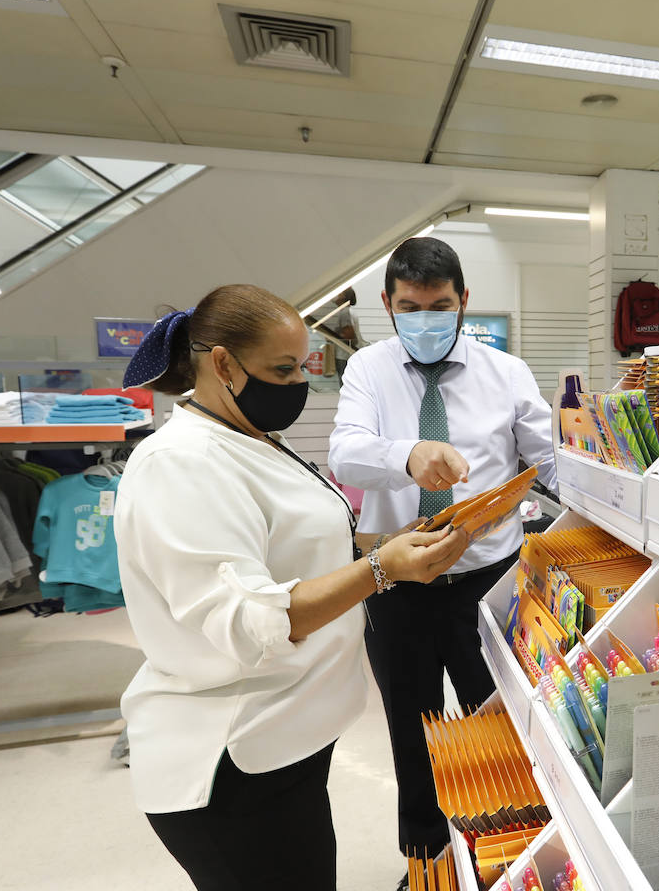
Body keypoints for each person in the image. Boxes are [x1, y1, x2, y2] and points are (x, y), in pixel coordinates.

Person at [114, 284, 469, 891]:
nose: (298, 384)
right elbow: (245, 622)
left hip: (287, 742)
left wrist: (386, 544)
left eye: (303, 366)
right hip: (231, 757)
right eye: (283, 370)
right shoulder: (181, 463)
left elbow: (297, 550)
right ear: (223, 364)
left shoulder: (249, 438)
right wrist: (382, 571)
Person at [329, 238, 558, 880]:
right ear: (387, 304)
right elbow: (345, 452)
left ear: (463, 303)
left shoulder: (507, 373)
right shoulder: (368, 370)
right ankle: (430, 864)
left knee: (501, 725)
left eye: (439, 305)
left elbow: (549, 463)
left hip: (488, 581)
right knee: (413, 730)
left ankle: (506, 857)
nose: (425, 318)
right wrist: (406, 455)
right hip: (396, 582)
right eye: (409, 306)